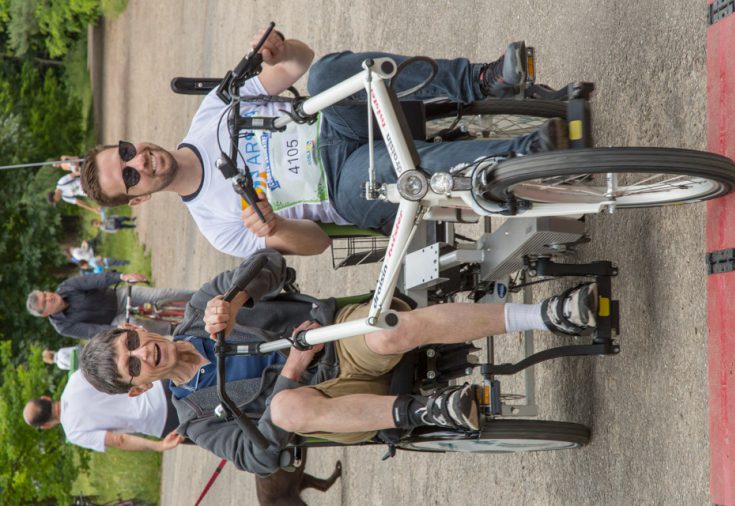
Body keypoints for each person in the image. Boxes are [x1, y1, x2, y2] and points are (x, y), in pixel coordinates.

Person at [79, 250, 596, 476]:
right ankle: (430, 412)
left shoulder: (202, 310)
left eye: (131, 341)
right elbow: (258, 459)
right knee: (283, 414)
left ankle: (547, 314)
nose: (141, 352)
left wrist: (236, 300)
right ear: (137, 389)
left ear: (138, 327)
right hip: (328, 401)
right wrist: (291, 373)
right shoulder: (196, 418)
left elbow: (272, 264)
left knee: (394, 328)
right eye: (131, 365)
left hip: (338, 339)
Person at [78, 30, 567, 259]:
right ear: (137, 198)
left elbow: (296, 65)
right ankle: (523, 156)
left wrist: (281, 51)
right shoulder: (217, 226)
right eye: (128, 176)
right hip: (344, 186)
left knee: (330, 71)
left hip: (337, 127)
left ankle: (484, 81)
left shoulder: (209, 114)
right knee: (376, 177)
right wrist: (275, 227)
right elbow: (313, 246)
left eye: (125, 151)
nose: (138, 160)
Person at [23, 370, 184, 453]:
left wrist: (159, 446)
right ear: (45, 398)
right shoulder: (76, 379)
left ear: (46, 425)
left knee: (209, 431)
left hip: (161, 421)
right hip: (158, 386)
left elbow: (119, 440)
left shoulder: (74, 433)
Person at [26, 271, 194, 340]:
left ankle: (199, 295)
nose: (50, 297)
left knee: (160, 295)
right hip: (114, 321)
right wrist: (119, 328)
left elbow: (95, 279)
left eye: (46, 294)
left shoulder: (66, 286)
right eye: (45, 302)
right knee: (140, 326)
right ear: (44, 314)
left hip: (118, 296)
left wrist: (122, 276)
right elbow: (93, 332)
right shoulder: (62, 327)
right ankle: (179, 330)